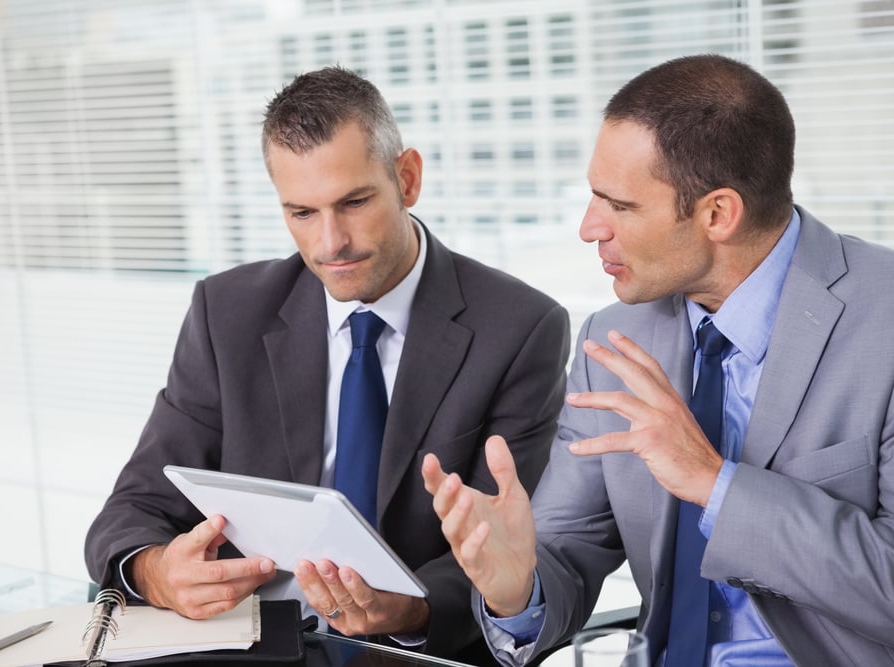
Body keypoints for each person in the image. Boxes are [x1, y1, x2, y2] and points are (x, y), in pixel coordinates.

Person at [423, 53, 894, 666]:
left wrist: (714, 482)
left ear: (718, 214)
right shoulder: (614, 340)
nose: (590, 228)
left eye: (618, 206)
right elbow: (564, 550)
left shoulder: (881, 321)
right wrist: (517, 591)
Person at [84, 65, 569, 659]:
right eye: (302, 213)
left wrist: (411, 607)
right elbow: (132, 508)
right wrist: (159, 572)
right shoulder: (227, 312)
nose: (329, 244)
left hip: (411, 651)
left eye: (354, 202)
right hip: (249, 644)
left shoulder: (520, 328)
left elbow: (508, 549)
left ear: (407, 178)